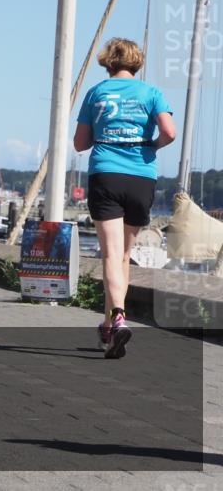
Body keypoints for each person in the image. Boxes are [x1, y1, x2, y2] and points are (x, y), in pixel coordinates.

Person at [73, 38, 175, 359]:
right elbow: (170, 132)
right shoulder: (152, 93)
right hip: (141, 176)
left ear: (108, 62)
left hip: (106, 173)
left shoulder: (96, 92)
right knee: (124, 256)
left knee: (110, 255)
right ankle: (109, 325)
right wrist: (151, 146)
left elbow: (79, 143)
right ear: (136, 62)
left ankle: (118, 316)